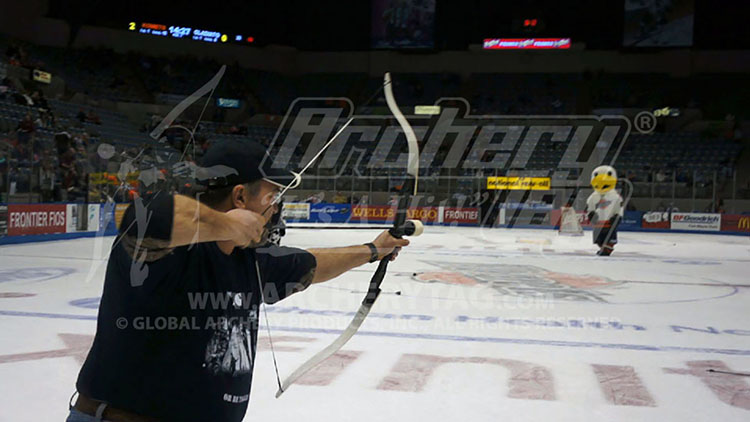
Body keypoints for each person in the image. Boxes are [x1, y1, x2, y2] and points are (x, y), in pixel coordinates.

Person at [69, 140, 410, 422]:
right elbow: (150, 213)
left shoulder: (252, 262)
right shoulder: (165, 255)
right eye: (272, 197)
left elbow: (311, 265)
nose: (277, 208)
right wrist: (230, 225)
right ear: (240, 198)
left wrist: (373, 250)